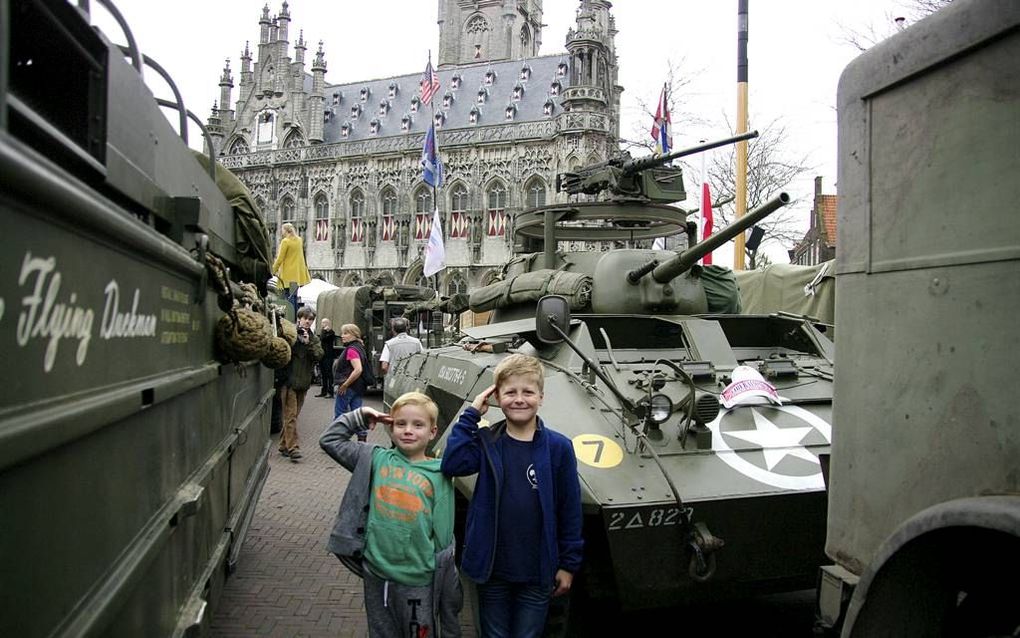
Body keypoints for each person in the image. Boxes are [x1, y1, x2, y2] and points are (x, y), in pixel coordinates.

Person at [441, 354, 583, 638]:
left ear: (541, 397)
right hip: (493, 568)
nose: (519, 399)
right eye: (510, 392)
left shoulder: (559, 448)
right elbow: (453, 463)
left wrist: (568, 564)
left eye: (528, 392)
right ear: (496, 397)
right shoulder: (487, 441)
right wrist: (471, 414)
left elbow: (570, 510)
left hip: (537, 569)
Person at [319, 393, 462, 638]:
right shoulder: (375, 458)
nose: (408, 430)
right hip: (376, 574)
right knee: (381, 632)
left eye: (418, 425)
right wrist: (360, 415)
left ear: (432, 432)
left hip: (418, 580)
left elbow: (443, 537)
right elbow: (330, 440)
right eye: (400, 423)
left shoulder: (440, 472)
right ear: (390, 427)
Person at [279, 306, 323, 461]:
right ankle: (293, 448)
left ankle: (283, 444)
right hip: (289, 382)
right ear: (299, 318)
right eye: (306, 318)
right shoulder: (290, 333)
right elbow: (282, 349)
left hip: (303, 383)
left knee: (294, 416)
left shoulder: (314, 338)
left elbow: (319, 355)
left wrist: (308, 342)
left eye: (311, 319)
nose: (308, 322)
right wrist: (296, 339)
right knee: (290, 416)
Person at [334, 324, 369, 439]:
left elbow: (358, 369)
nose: (342, 336)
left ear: (354, 335)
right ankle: (362, 438)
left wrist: (345, 384)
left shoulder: (351, 350)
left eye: (345, 333)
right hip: (358, 387)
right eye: (342, 333)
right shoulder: (360, 347)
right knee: (357, 415)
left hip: (348, 387)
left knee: (340, 414)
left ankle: (337, 439)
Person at [271, 222, 311, 312]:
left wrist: (273, 270)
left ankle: (290, 316)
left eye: (282, 230)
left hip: (287, 275)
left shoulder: (285, 241)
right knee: (294, 296)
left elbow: (280, 258)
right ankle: (295, 317)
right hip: (297, 274)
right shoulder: (299, 240)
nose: (281, 232)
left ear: (286, 231)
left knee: (288, 297)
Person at [316, 318, 337, 398]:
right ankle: (323, 391)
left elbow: (323, 338)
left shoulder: (331, 332)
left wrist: (325, 331)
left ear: (328, 323)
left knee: (329, 374)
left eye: (324, 322)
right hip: (322, 356)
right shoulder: (323, 331)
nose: (323, 324)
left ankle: (330, 392)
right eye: (322, 322)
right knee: (323, 374)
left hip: (328, 356)